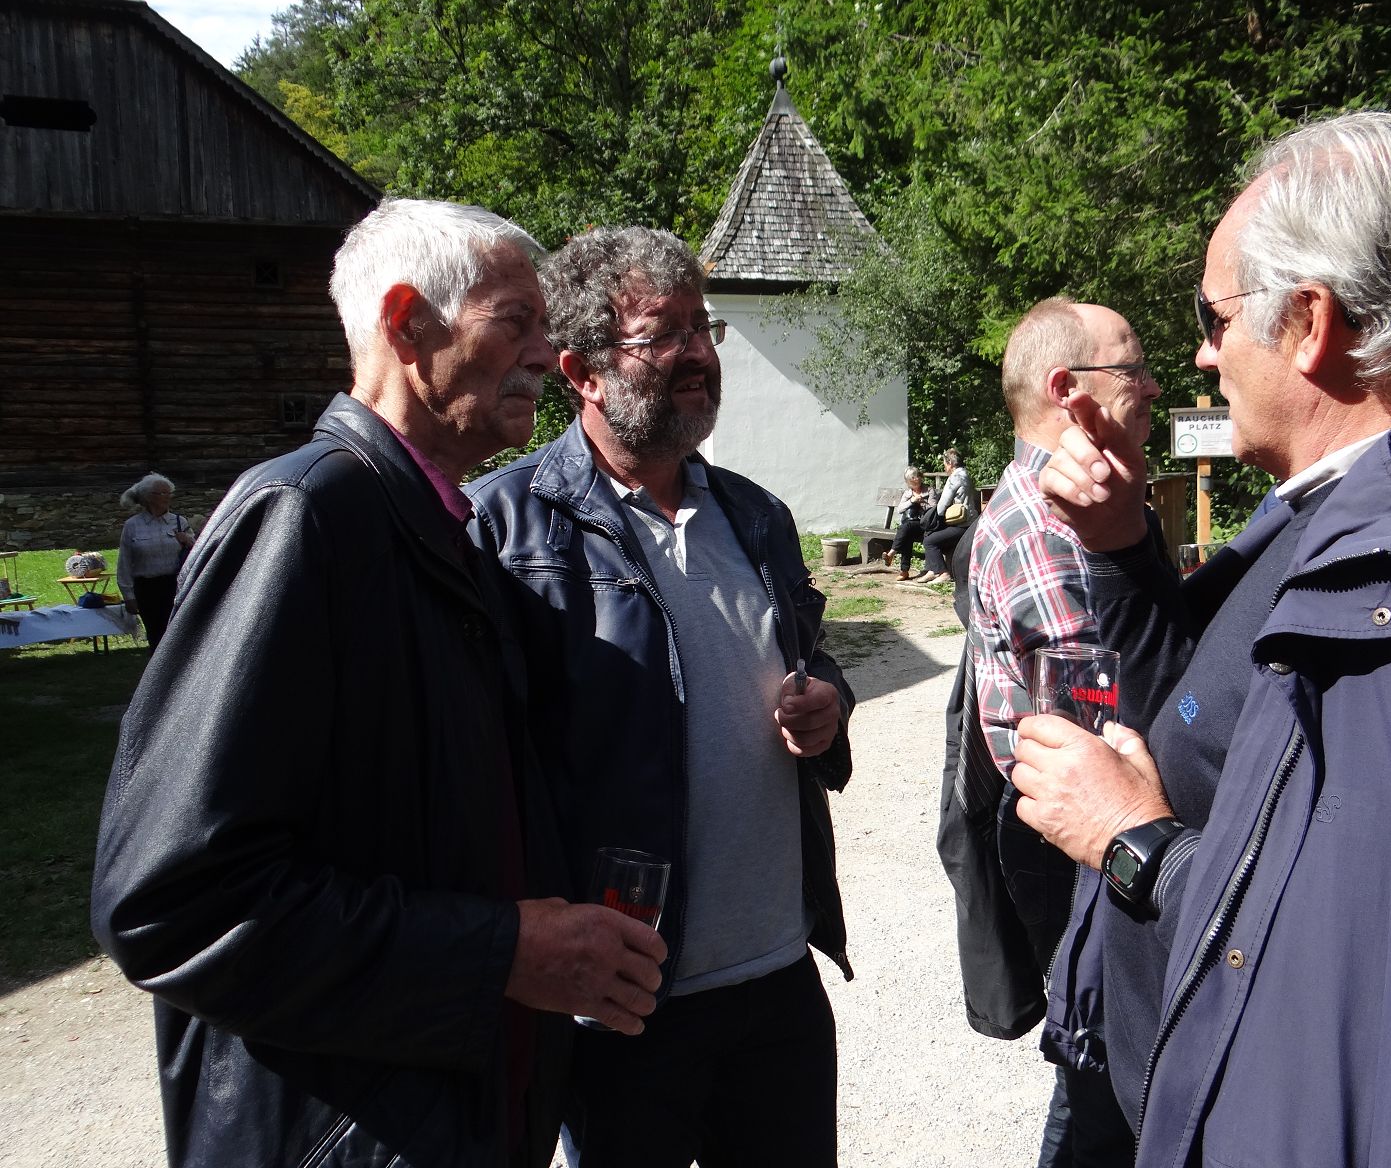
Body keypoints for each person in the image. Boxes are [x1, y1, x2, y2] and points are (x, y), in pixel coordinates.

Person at [1012, 111, 1391, 1165]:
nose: (1201, 353)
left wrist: (1131, 844)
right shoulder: (1335, 522)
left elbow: (1373, 994)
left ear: (1310, 323)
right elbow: (1205, 723)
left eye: (1214, 315)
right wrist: (1125, 547)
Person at [90, 199, 667, 1168]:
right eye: (515, 320)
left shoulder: (439, 532)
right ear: (407, 323)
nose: (546, 351)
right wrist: (501, 952)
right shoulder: (306, 514)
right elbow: (170, 903)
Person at [470, 225, 855, 1168]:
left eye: (702, 327)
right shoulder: (506, 528)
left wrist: (830, 703)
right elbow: (484, 771)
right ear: (582, 373)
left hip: (777, 978)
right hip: (624, 1001)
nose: (697, 353)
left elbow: (811, 657)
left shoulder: (756, 515)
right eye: (663, 333)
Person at [967, 299, 1159, 1167]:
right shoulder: (1047, 529)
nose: (1150, 386)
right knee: (1103, 1077)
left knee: (1098, 1072)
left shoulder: (1060, 509)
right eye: (1132, 370)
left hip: (1076, 842)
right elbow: (1107, 731)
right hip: (1085, 849)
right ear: (1064, 391)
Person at [114, 472, 196, 649]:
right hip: (147, 588)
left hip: (175, 585)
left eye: (169, 493)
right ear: (148, 497)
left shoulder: (179, 522)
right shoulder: (132, 525)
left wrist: (188, 541)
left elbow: (197, 552)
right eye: (162, 493)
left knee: (178, 632)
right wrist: (128, 596)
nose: (167, 497)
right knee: (156, 634)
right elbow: (125, 563)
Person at [911, 447, 980, 584]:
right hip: (970, 523)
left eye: (944, 463)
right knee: (931, 536)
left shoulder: (955, 478)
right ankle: (932, 570)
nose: (944, 467)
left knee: (929, 540)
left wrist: (933, 515)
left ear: (950, 463)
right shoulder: (965, 474)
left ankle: (943, 573)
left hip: (961, 525)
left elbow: (942, 507)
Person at [888, 464, 932, 579]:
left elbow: (934, 508)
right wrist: (911, 501)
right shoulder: (908, 493)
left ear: (919, 478)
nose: (914, 483)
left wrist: (922, 503)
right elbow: (900, 509)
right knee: (907, 533)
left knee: (905, 528)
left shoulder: (929, 491)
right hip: (910, 525)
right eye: (911, 482)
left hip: (923, 524)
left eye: (916, 479)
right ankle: (904, 571)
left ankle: (892, 553)